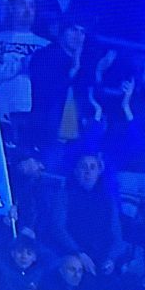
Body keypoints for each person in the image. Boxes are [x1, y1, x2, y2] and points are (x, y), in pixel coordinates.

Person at [29, 15, 99, 172]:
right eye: (73, 30)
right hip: (48, 133)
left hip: (76, 136)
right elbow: (45, 93)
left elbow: (89, 97)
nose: (78, 36)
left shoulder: (85, 64)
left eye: (82, 32)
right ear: (62, 31)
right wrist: (72, 72)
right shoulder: (44, 56)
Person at [0, 0, 48, 152]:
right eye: (22, 4)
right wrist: (20, 65)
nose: (27, 10)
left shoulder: (46, 45)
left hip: (35, 116)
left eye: (32, 6)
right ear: (12, 8)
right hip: (3, 113)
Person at [52, 151, 125, 277]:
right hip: (73, 255)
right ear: (76, 171)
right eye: (83, 167)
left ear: (99, 171)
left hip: (103, 258)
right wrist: (79, 253)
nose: (88, 172)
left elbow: (116, 234)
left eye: (92, 167)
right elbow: (58, 228)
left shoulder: (108, 200)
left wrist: (111, 259)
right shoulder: (64, 196)